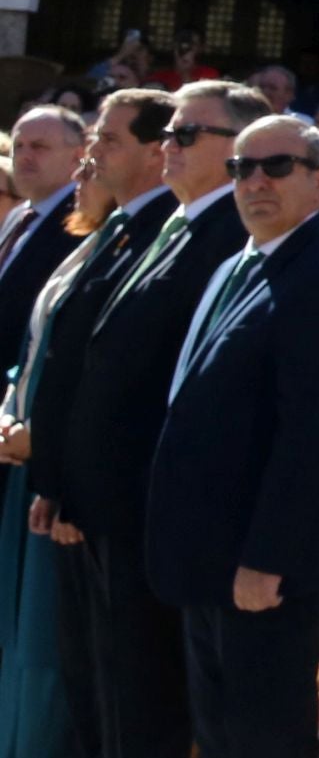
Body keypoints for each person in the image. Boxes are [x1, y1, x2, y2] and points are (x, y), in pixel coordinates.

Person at [148, 115, 319, 758]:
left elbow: (311, 436)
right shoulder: (242, 265)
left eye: (277, 167)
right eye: (241, 168)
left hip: (265, 561)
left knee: (261, 735)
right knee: (219, 733)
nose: (256, 182)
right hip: (211, 549)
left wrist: (266, 557)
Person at [58, 81, 264, 757]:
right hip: (112, 501)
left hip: (153, 505)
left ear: (237, 148)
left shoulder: (227, 234)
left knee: (145, 701)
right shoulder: (177, 224)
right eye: (169, 132)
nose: (167, 146)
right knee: (108, 690)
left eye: (185, 134)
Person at [19, 88, 174, 758]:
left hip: (116, 499)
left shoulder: (164, 230)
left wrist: (70, 480)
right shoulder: (122, 228)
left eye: (108, 139)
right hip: (66, 481)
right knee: (88, 679)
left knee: (122, 690)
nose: (93, 152)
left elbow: (124, 380)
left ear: (154, 150)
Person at [0, 156, 108, 758]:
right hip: (30, 456)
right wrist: (11, 411)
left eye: (100, 153)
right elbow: (34, 352)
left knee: (47, 638)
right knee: (20, 630)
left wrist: (44, 435)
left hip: (64, 460)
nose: (84, 170)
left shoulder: (119, 251)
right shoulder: (83, 244)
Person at [0, 108, 85, 369]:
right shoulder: (18, 216)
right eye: (19, 146)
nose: (25, 155)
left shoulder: (84, 220)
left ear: (78, 156)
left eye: (39, 147)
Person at [150, 30, 218, 91]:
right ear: (174, 46)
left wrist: (186, 74)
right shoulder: (159, 77)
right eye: (181, 43)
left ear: (200, 48)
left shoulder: (209, 74)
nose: (185, 47)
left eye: (191, 44)